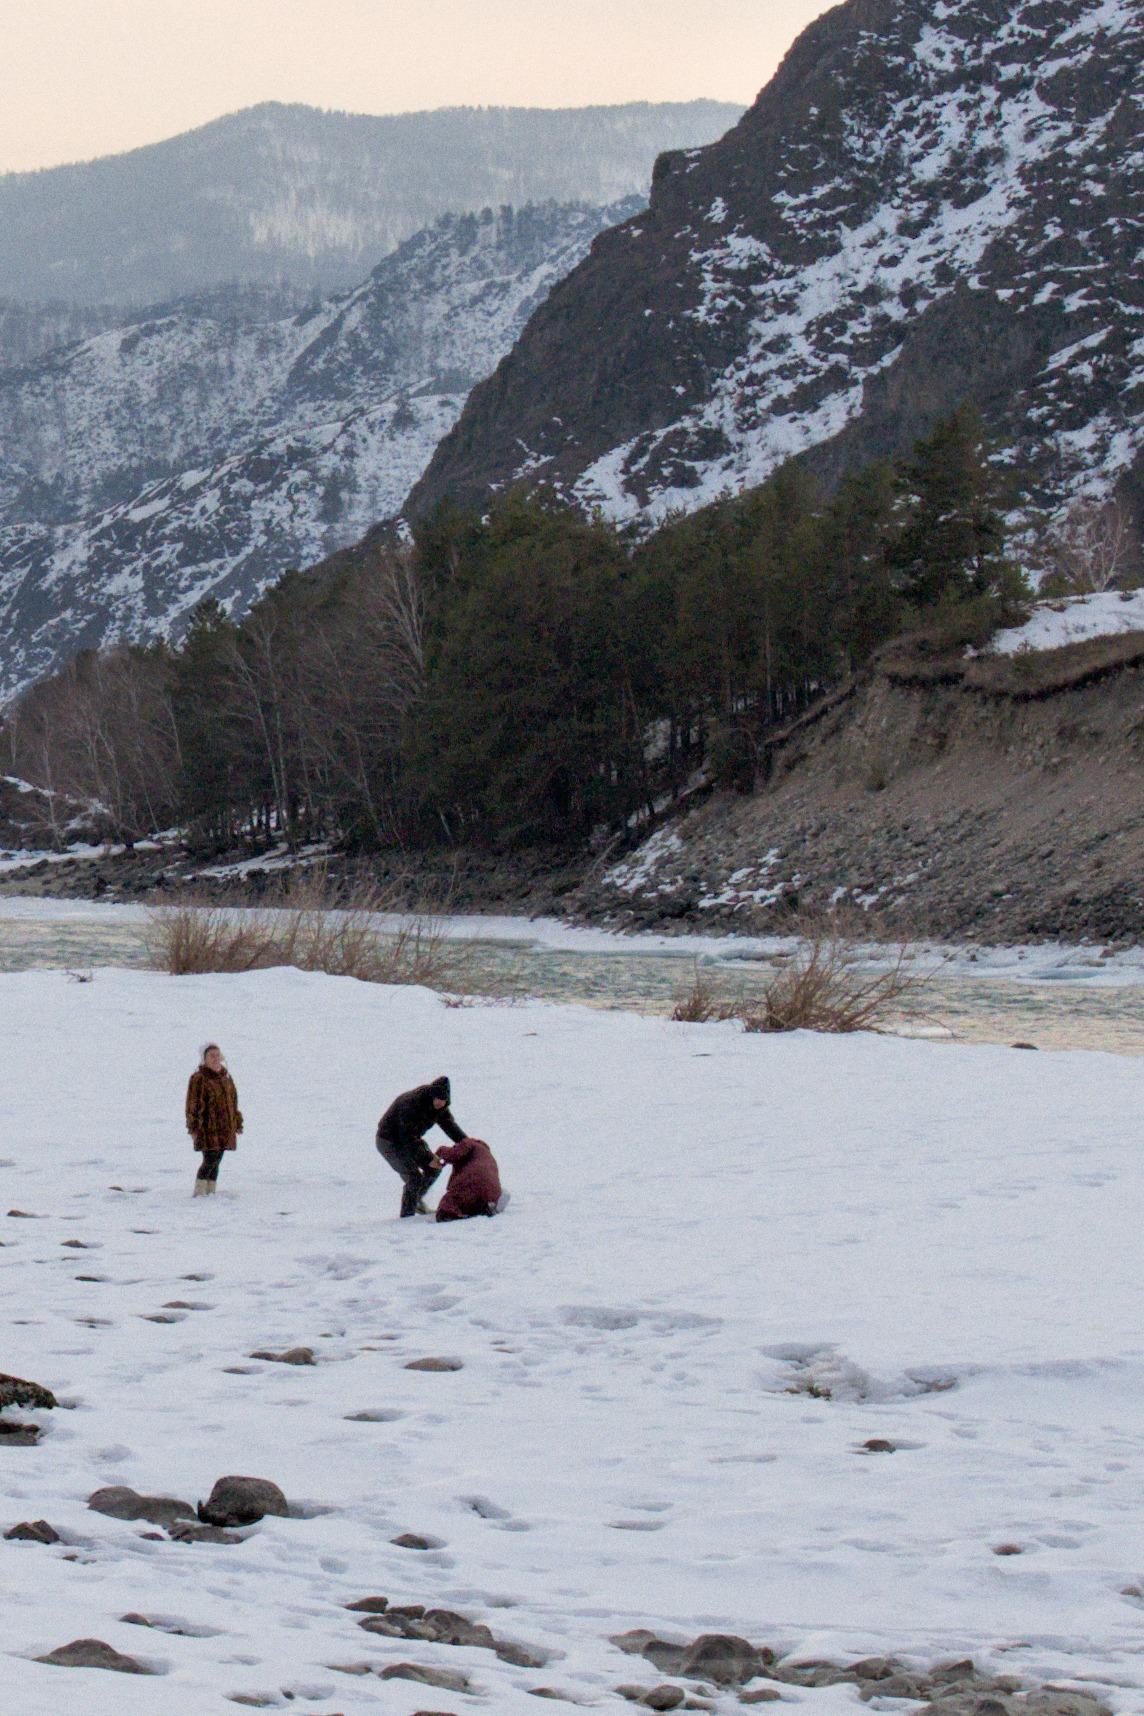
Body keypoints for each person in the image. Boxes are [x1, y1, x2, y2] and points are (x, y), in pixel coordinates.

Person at [375, 1075, 466, 1218]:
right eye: (438, 1100)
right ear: (431, 1096)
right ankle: (407, 1217)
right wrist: (427, 1157)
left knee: (434, 1168)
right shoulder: (412, 1104)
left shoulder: (441, 1106)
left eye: (443, 1101)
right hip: (389, 1141)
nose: (440, 1104)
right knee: (414, 1178)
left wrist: (467, 1144)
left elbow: (450, 1126)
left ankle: (416, 1201)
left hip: (410, 1140)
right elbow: (407, 1137)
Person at [186, 1042, 243, 1196]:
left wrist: (236, 1122)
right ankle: (199, 1192)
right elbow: (192, 1104)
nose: (215, 1058)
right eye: (212, 1056)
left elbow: (233, 1101)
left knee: (217, 1160)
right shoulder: (199, 1078)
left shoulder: (226, 1077)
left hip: (225, 1127)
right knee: (210, 1159)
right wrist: (193, 1127)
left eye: (217, 1055)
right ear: (204, 1058)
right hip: (207, 1128)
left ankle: (210, 1191)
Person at [435, 1137, 504, 1222]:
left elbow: (454, 1154)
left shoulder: (468, 1142)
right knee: (472, 1199)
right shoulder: (486, 1154)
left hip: (473, 1182)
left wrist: (441, 1151)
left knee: (451, 1199)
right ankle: (484, 1208)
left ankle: (446, 1214)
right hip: (493, 1191)